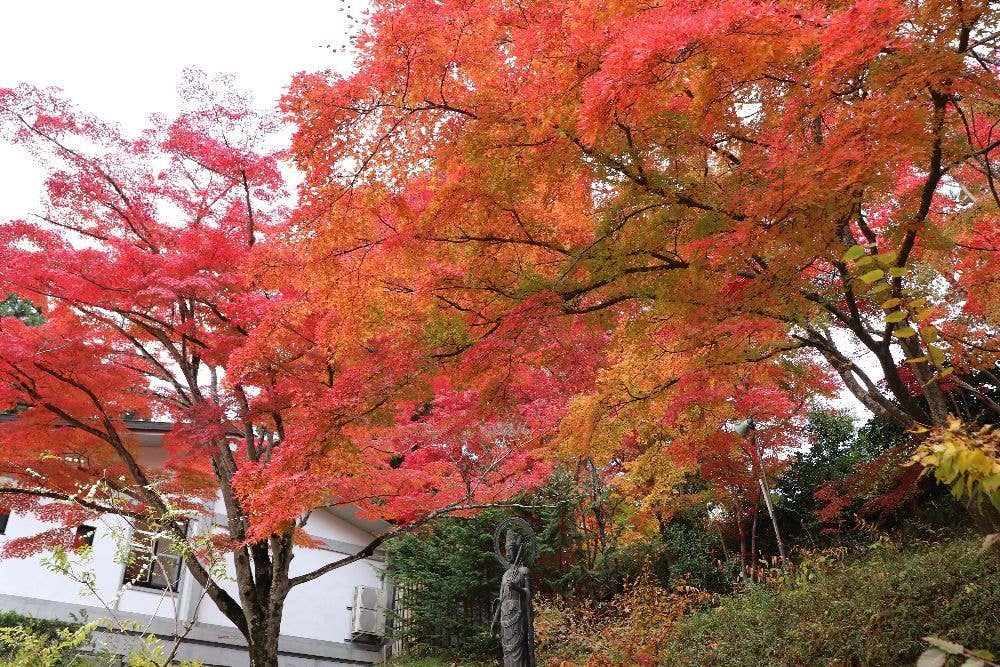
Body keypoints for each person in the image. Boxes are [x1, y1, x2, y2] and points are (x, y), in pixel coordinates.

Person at [491, 529, 536, 667]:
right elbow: (500, 600)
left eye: (511, 550)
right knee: (507, 650)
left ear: (517, 551)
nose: (508, 554)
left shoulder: (524, 571)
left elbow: (528, 593)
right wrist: (494, 622)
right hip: (505, 616)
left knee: (518, 649)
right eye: (506, 551)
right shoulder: (505, 575)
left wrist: (517, 588)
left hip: (518, 615)